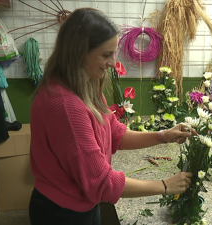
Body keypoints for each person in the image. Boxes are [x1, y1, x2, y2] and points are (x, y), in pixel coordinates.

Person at [28, 7, 196, 225]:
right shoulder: (66, 106)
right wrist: (164, 186)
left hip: (84, 203)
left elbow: (115, 133)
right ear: (79, 53)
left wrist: (163, 135)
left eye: (113, 53)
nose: (112, 62)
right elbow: (101, 182)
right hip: (62, 213)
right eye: (106, 55)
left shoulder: (86, 86)